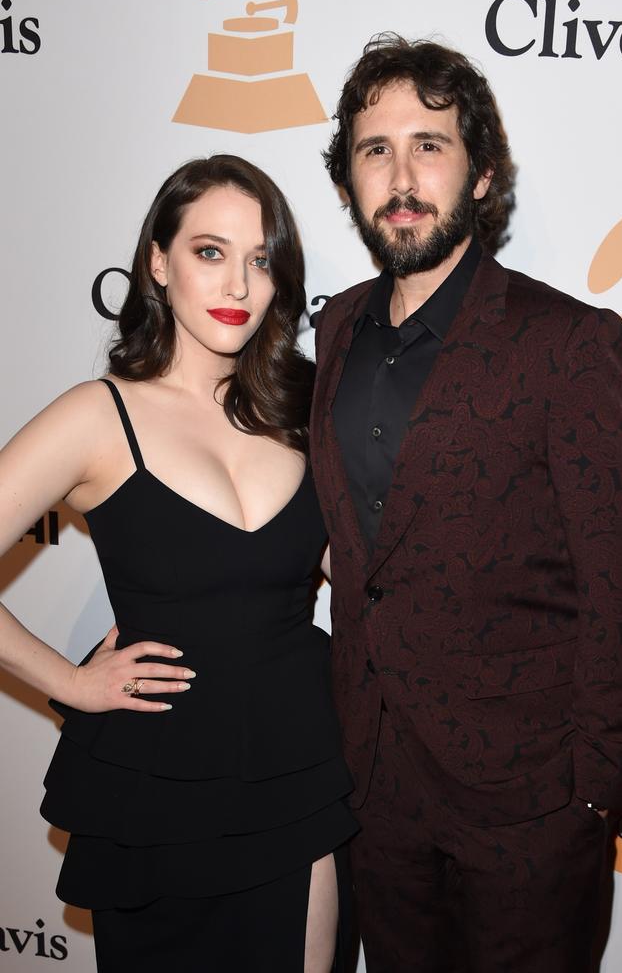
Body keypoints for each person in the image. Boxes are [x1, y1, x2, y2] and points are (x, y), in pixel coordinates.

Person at [310, 33, 622, 972]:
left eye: (431, 144)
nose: (403, 174)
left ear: (484, 174)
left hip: (530, 804)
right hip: (374, 787)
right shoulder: (334, 327)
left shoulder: (569, 345)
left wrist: (594, 792)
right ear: (348, 184)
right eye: (376, 150)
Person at [0, 154, 358, 972]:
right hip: (156, 788)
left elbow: (364, 575)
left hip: (297, 767)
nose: (238, 282)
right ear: (157, 263)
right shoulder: (100, 415)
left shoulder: (303, 410)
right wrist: (72, 681)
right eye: (210, 251)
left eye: (260, 259)